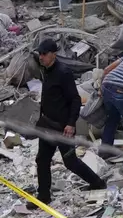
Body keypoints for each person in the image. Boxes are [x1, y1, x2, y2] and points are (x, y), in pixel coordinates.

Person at [28, 39, 106, 209]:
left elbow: (75, 99)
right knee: (42, 160)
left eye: (44, 54)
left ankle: (97, 183)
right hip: (47, 124)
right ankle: (44, 196)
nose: (40, 57)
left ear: (53, 55)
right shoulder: (46, 70)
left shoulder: (63, 73)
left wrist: (71, 124)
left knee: (70, 162)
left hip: (63, 128)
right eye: (39, 54)